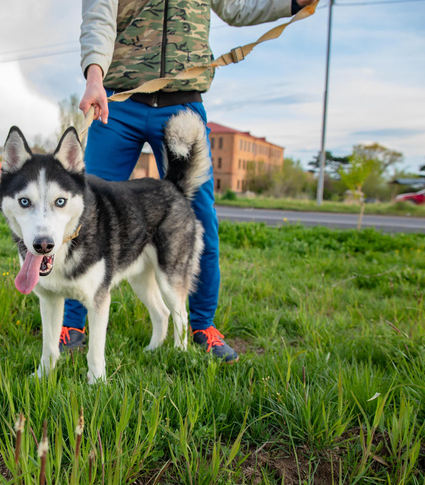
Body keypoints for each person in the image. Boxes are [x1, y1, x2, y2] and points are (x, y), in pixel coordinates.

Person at [59, 0, 314, 362]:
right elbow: (98, 18)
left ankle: (202, 326)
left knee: (199, 221)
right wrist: (94, 77)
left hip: (182, 103)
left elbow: (239, 8)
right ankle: (72, 325)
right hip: (119, 101)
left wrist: (292, 2)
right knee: (83, 215)